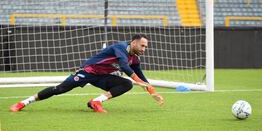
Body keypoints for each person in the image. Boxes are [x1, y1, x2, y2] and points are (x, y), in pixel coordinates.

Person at [10, 34, 164, 113]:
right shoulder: (120, 48)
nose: (144, 49)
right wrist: (143, 84)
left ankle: (96, 102)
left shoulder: (135, 58)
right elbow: (124, 67)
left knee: (127, 84)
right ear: (134, 42)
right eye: (142, 46)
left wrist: (152, 91)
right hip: (88, 71)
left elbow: (141, 76)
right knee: (60, 89)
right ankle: (23, 103)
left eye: (146, 47)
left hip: (102, 77)